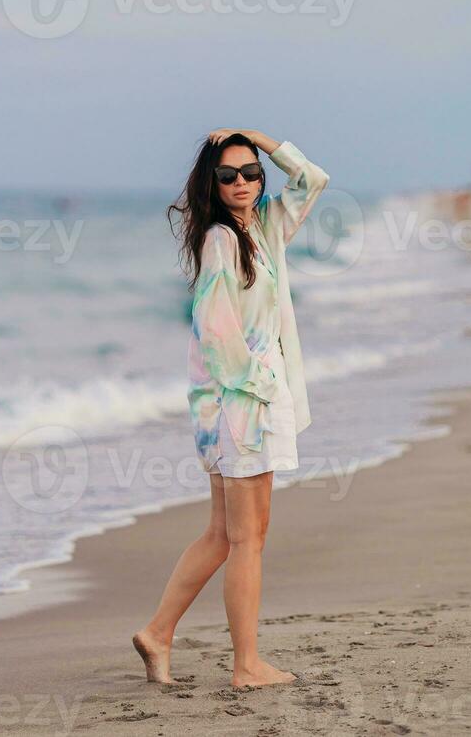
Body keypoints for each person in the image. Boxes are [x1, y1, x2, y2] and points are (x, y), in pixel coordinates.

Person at [133, 128, 330, 688]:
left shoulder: (263, 228)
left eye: (250, 172)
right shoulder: (221, 240)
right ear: (212, 185)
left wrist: (259, 137)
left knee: (224, 535)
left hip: (241, 406)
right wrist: (264, 389)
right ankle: (246, 666)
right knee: (248, 539)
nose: (241, 182)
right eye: (228, 175)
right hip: (242, 409)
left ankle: (157, 633)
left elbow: (312, 179)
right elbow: (216, 332)